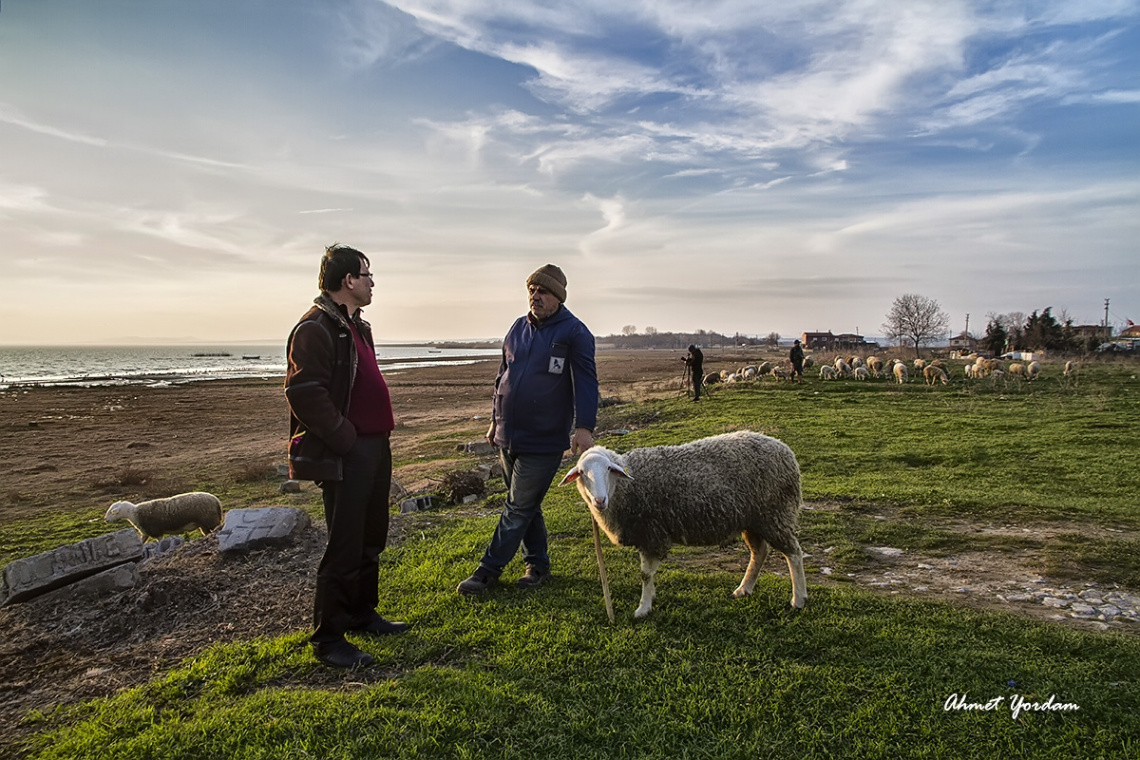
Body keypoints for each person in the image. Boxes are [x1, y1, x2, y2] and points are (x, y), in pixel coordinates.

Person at [285, 243, 410, 669]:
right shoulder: (315, 328)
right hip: (350, 451)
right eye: (367, 274)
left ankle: (361, 613)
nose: (373, 282)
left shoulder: (357, 325)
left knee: (371, 536)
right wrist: (346, 438)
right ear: (347, 281)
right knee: (344, 543)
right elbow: (304, 392)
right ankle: (328, 637)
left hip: (376, 446)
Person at [457, 264, 599, 595]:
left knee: (518, 505)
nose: (535, 296)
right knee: (525, 504)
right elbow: (502, 375)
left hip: (544, 437)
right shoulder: (518, 328)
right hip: (509, 433)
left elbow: (587, 383)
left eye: (543, 291)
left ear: (558, 298)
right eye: (532, 290)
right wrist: (495, 419)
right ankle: (537, 566)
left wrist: (584, 427)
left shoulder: (575, 333)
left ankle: (487, 571)